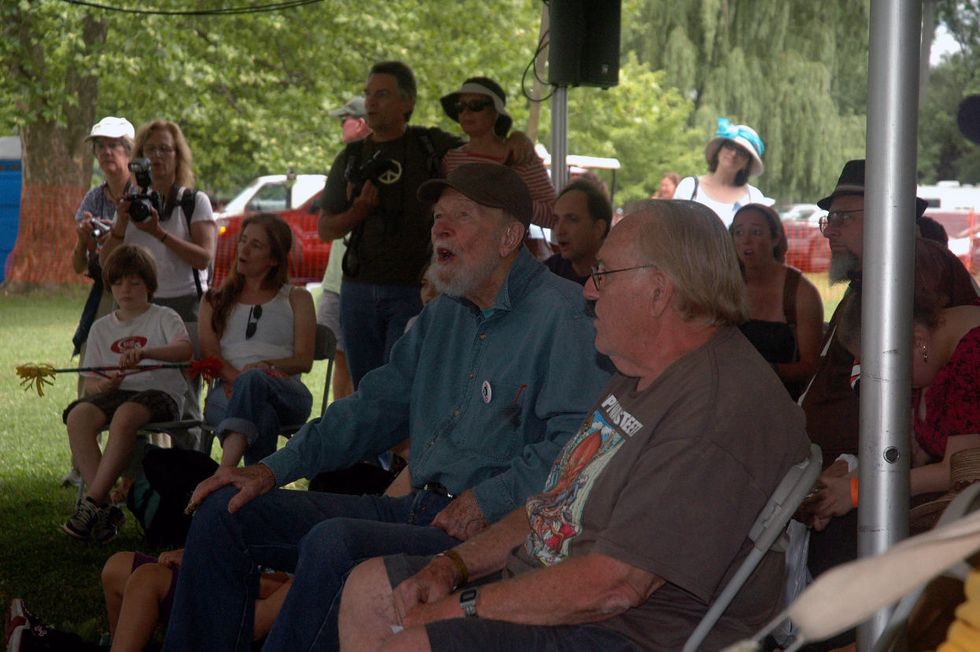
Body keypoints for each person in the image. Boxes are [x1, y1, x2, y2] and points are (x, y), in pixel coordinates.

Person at [162, 163, 612, 651]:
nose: (440, 226)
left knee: (335, 544)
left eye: (461, 216)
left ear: (509, 237)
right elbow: (368, 410)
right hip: (413, 510)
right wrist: (269, 471)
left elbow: (574, 452)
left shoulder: (566, 317)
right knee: (224, 512)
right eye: (438, 216)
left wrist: (488, 500)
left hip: (488, 536)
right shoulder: (442, 316)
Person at [337, 200, 811, 652]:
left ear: (659, 290)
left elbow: (616, 585)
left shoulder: (713, 410)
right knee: (371, 589)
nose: (587, 289)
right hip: (563, 583)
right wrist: (454, 567)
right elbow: (555, 502)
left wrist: (461, 609)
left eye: (602, 274)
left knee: (414, 642)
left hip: (634, 632)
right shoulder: (642, 372)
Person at [799, 159, 978, 650]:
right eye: (827, 219)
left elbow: (961, 464)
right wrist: (850, 469)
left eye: (843, 218)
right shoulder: (871, 283)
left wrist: (859, 486)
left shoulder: (916, 276)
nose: (830, 231)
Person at [806, 249, 980, 530]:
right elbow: (910, 452)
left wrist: (859, 491)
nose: (878, 379)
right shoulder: (932, 355)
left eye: (879, 367)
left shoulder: (972, 356)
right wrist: (852, 480)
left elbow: (960, 469)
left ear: (917, 341)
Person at [317, 61, 462, 389]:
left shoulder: (430, 145)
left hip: (414, 290)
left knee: (402, 386)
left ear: (407, 102)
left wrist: (515, 142)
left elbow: (483, 151)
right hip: (358, 289)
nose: (370, 102)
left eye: (382, 94)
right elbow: (326, 229)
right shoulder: (351, 157)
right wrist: (358, 212)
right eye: (368, 94)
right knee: (365, 388)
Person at [61, 245, 192, 543]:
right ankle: (106, 507)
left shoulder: (164, 317)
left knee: (125, 415)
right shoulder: (101, 328)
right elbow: (92, 382)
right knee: (79, 414)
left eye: (134, 282)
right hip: (118, 394)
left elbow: (185, 349)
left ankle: (91, 503)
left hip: (160, 393)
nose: (126, 289)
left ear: (149, 285)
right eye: (118, 282)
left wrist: (145, 352)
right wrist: (104, 386)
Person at [200, 213, 315, 467]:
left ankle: (224, 472)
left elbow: (304, 360)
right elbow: (212, 356)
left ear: (274, 259)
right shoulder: (214, 300)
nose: (244, 249)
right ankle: (260, 493)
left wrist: (262, 370)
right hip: (227, 390)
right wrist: (242, 382)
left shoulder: (297, 298)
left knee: (254, 380)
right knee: (262, 416)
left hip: (283, 389)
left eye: (256, 245)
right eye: (243, 241)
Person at [100, 119, 217, 323]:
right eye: (150, 149)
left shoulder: (193, 202)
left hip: (184, 302)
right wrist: (120, 227)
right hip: (137, 303)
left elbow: (203, 259)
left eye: (165, 149)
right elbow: (106, 262)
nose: (157, 156)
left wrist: (158, 233)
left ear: (177, 156)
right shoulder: (131, 201)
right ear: (139, 158)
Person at [731, 203, 823, 399]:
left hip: (781, 403)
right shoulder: (723, 286)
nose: (746, 241)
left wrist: (764, 371)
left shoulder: (800, 293)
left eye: (756, 232)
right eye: (738, 232)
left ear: (775, 238)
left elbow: (811, 366)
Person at [439, 77, 556, 227]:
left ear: (495, 112)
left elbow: (554, 215)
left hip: (506, 247)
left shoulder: (520, 156)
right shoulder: (451, 158)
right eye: (460, 106)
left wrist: (512, 202)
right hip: (460, 247)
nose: (466, 112)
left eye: (475, 106)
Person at [317, 96, 372, 402]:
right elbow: (326, 226)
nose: (341, 125)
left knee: (366, 365)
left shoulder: (381, 165)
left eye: (344, 120)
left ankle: (365, 437)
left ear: (360, 123)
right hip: (336, 280)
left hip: (365, 283)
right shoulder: (346, 163)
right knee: (339, 359)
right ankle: (341, 426)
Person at [673, 117, 772, 226]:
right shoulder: (690, 187)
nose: (733, 154)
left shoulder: (753, 197)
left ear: (747, 163)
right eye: (730, 146)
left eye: (742, 152)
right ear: (719, 150)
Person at [543, 180, 611, 285]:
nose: (559, 230)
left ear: (598, 229)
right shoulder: (548, 273)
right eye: (556, 220)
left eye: (572, 219)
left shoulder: (620, 276)